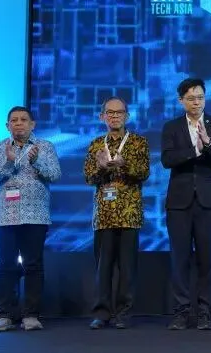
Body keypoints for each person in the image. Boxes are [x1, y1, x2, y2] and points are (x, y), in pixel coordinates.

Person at [0, 106, 61, 332]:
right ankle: (4, 315)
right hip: (4, 217)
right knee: (5, 265)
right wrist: (8, 163)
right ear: (7, 126)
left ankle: (31, 315)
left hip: (35, 216)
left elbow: (55, 175)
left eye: (23, 119)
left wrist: (37, 162)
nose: (19, 123)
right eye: (14, 120)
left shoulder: (45, 147)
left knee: (33, 265)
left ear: (32, 124)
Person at [161, 78, 211, 330]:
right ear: (181, 101)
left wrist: (208, 143)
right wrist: (195, 150)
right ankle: (181, 311)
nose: (196, 102)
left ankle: (204, 311)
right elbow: (167, 160)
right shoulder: (171, 127)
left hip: (208, 201)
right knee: (179, 259)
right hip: (179, 202)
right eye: (191, 98)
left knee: (206, 259)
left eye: (200, 97)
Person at [83, 97, 150, 329]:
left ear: (127, 116)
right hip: (104, 216)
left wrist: (124, 164)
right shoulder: (95, 145)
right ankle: (101, 313)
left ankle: (123, 314)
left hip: (129, 215)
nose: (114, 116)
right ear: (102, 116)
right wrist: (101, 168)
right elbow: (89, 177)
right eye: (110, 113)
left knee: (127, 269)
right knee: (103, 268)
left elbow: (144, 173)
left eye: (119, 112)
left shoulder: (138, 142)